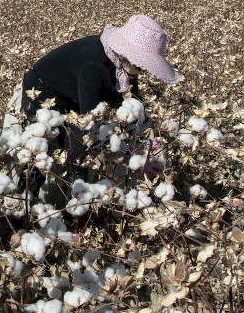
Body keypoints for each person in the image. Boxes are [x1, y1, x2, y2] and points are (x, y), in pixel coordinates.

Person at [19, 14, 179, 203]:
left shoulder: (121, 63)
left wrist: (147, 140)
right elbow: (91, 125)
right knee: (46, 153)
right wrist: (131, 155)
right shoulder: (94, 67)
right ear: (129, 55)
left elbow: (131, 103)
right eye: (142, 65)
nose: (143, 71)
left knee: (77, 149)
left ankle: (74, 208)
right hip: (41, 93)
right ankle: (25, 204)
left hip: (74, 95)